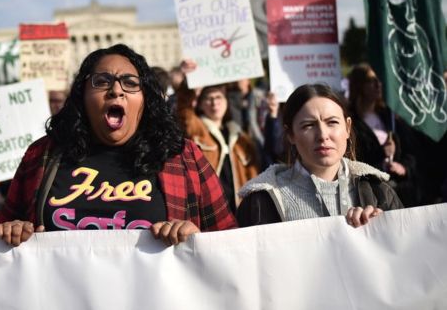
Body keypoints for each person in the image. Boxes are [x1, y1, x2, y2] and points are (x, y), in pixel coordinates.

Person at [0, 44, 236, 246]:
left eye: (130, 82)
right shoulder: (43, 155)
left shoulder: (184, 157)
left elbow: (230, 244)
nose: (116, 90)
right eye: (102, 81)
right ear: (82, 96)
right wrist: (11, 230)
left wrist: (197, 240)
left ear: (146, 99)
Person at [237, 83, 403, 228]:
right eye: (309, 125)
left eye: (332, 122)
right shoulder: (261, 202)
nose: (323, 135)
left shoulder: (378, 192)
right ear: (291, 135)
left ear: (347, 127)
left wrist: (383, 230)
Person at [175, 60, 260, 214]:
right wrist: (188, 81)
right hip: (210, 211)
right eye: (209, 98)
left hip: (241, 211)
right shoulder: (197, 129)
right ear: (200, 105)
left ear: (227, 103)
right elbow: (183, 108)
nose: (214, 103)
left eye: (219, 98)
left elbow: (253, 175)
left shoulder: (241, 137)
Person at [347, 64, 420, 206]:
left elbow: (412, 151)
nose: (378, 84)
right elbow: (352, 162)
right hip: (375, 198)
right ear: (359, 85)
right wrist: (382, 160)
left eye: (379, 80)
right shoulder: (350, 122)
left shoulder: (389, 116)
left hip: (404, 193)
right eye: (371, 80)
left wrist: (404, 167)